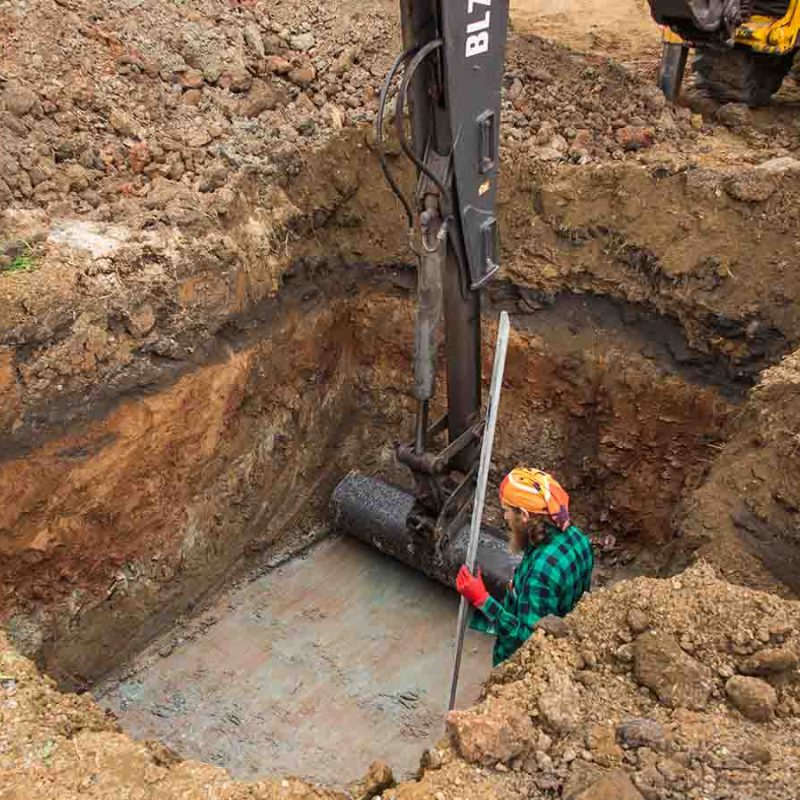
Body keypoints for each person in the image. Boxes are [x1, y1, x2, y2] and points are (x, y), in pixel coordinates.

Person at [456, 467, 594, 666]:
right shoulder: (578, 537)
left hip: (526, 662)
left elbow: (528, 640)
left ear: (524, 515)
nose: (505, 518)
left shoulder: (540, 574)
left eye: (507, 511)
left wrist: (482, 599)